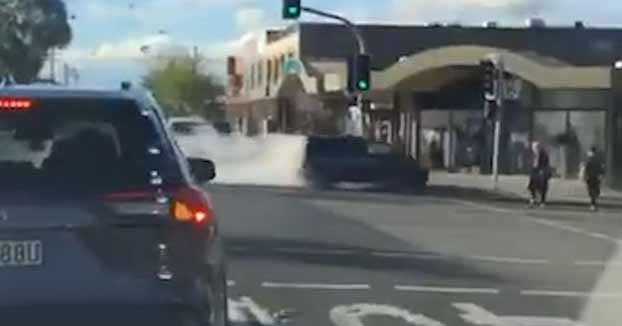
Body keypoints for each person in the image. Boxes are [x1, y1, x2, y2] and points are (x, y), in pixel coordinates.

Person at [528, 142, 551, 208]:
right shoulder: (532, 154)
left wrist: (542, 171)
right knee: (531, 186)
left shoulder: (543, 154)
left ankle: (542, 201)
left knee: (542, 186)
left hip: (542, 172)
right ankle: (532, 199)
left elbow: (545, 164)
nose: (535, 149)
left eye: (536, 147)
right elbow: (531, 163)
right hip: (534, 171)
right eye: (533, 148)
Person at [584, 147, 605, 211]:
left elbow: (587, 169)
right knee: (595, 191)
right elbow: (601, 169)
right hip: (596, 177)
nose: (588, 153)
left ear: (592, 152)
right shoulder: (598, 160)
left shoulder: (590, 160)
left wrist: (586, 177)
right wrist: (601, 175)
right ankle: (594, 204)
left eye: (589, 152)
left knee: (592, 191)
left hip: (591, 178)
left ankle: (593, 205)